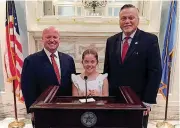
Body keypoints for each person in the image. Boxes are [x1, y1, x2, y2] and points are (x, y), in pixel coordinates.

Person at [103, 4, 162, 128]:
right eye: (123, 18)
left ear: (138, 20)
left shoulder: (150, 40)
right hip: (115, 100)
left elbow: (155, 71)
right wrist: (105, 97)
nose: (127, 21)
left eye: (131, 18)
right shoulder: (111, 41)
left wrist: (148, 101)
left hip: (138, 101)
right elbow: (107, 71)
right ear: (119, 21)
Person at [21, 26, 76, 114]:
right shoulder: (31, 61)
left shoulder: (68, 60)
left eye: (55, 37)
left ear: (59, 39)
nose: (52, 40)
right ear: (42, 39)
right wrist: (32, 111)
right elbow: (28, 89)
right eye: (48, 37)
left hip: (66, 110)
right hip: (42, 111)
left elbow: (73, 85)